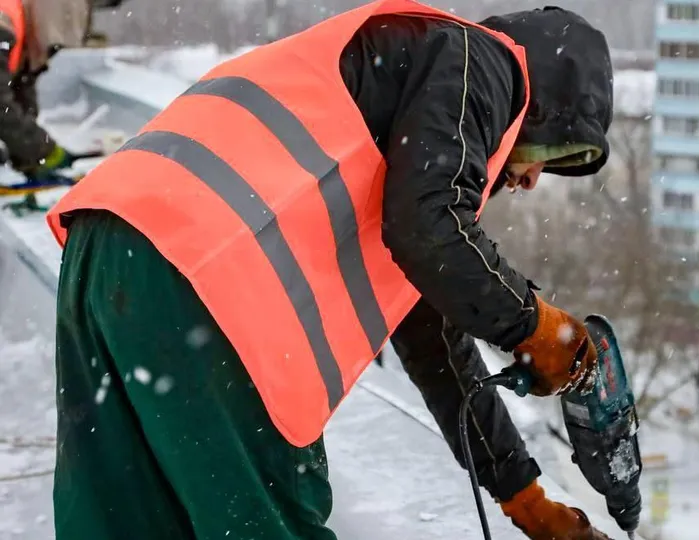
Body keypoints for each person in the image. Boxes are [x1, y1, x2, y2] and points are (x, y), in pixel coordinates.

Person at [46, 1, 614, 539]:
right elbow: (428, 224)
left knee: (128, 519)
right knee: (270, 520)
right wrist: (533, 325)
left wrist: (522, 495)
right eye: (553, 155)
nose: (535, 180)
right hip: (207, 279)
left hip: (108, 245)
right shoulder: (479, 62)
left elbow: (435, 337)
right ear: (540, 104)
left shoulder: (403, 93)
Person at [0, 0, 123, 213]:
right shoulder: (5, 23)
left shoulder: (19, 23)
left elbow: (20, 91)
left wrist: (31, 154)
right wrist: (42, 150)